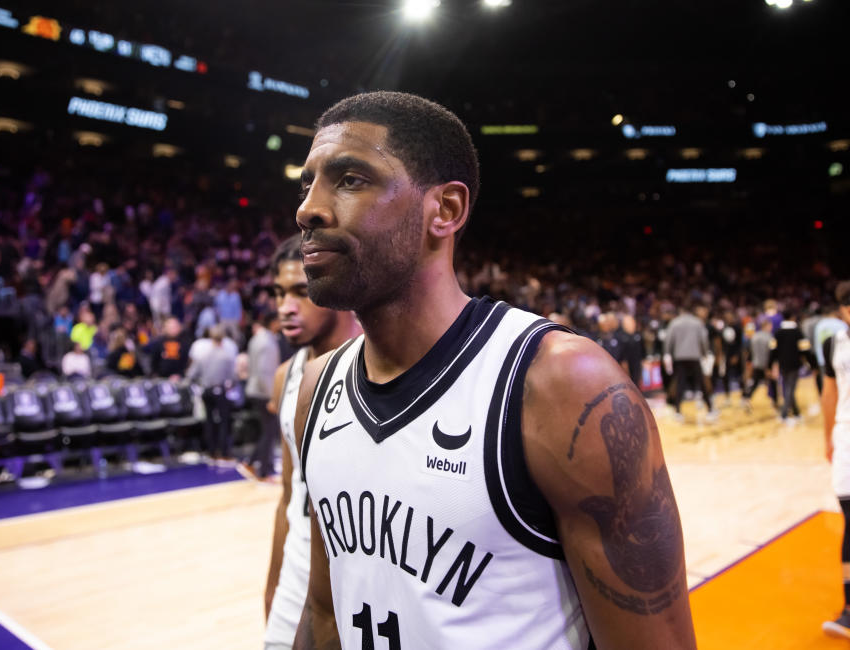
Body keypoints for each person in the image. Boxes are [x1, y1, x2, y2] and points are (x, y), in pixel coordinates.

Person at [291, 92, 694, 649]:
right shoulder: (317, 389)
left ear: (446, 210)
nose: (307, 209)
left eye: (351, 179)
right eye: (305, 183)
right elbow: (324, 614)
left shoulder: (560, 384)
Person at [263, 235, 361, 650]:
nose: (285, 307)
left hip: (359, 582)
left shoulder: (371, 366)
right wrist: (273, 591)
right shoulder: (286, 376)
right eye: (278, 293)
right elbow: (289, 495)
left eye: (300, 292)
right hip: (298, 574)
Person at [821, 281, 850, 638]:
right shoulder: (833, 344)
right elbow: (829, 392)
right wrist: (826, 437)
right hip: (845, 436)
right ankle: (848, 608)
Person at [186, 326, 237, 460]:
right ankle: (224, 451)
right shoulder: (226, 356)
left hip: (206, 390)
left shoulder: (203, 356)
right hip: (220, 390)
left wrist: (201, 382)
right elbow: (233, 377)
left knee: (209, 421)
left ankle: (211, 451)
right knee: (224, 421)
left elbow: (190, 375)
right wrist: (229, 385)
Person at [243, 313, 282, 479]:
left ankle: (252, 463)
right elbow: (264, 373)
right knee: (270, 431)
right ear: (273, 323)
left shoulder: (258, 338)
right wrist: (272, 397)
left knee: (268, 430)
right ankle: (263, 471)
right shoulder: (267, 343)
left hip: (255, 388)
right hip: (263, 391)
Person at [664, 302, 717, 423]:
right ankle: (710, 409)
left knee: (680, 384)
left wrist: (668, 353)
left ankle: (677, 411)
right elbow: (703, 339)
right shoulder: (697, 322)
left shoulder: (675, 322)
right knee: (702, 383)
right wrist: (704, 353)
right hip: (694, 356)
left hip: (679, 357)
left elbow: (669, 340)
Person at [770, 309, 815, 422]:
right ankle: (784, 414)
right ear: (792, 317)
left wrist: (770, 364)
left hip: (783, 364)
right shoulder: (797, 331)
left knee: (787, 387)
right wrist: (812, 364)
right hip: (795, 364)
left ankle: (796, 413)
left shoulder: (777, 332)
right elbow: (805, 349)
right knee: (790, 388)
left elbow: (772, 350)